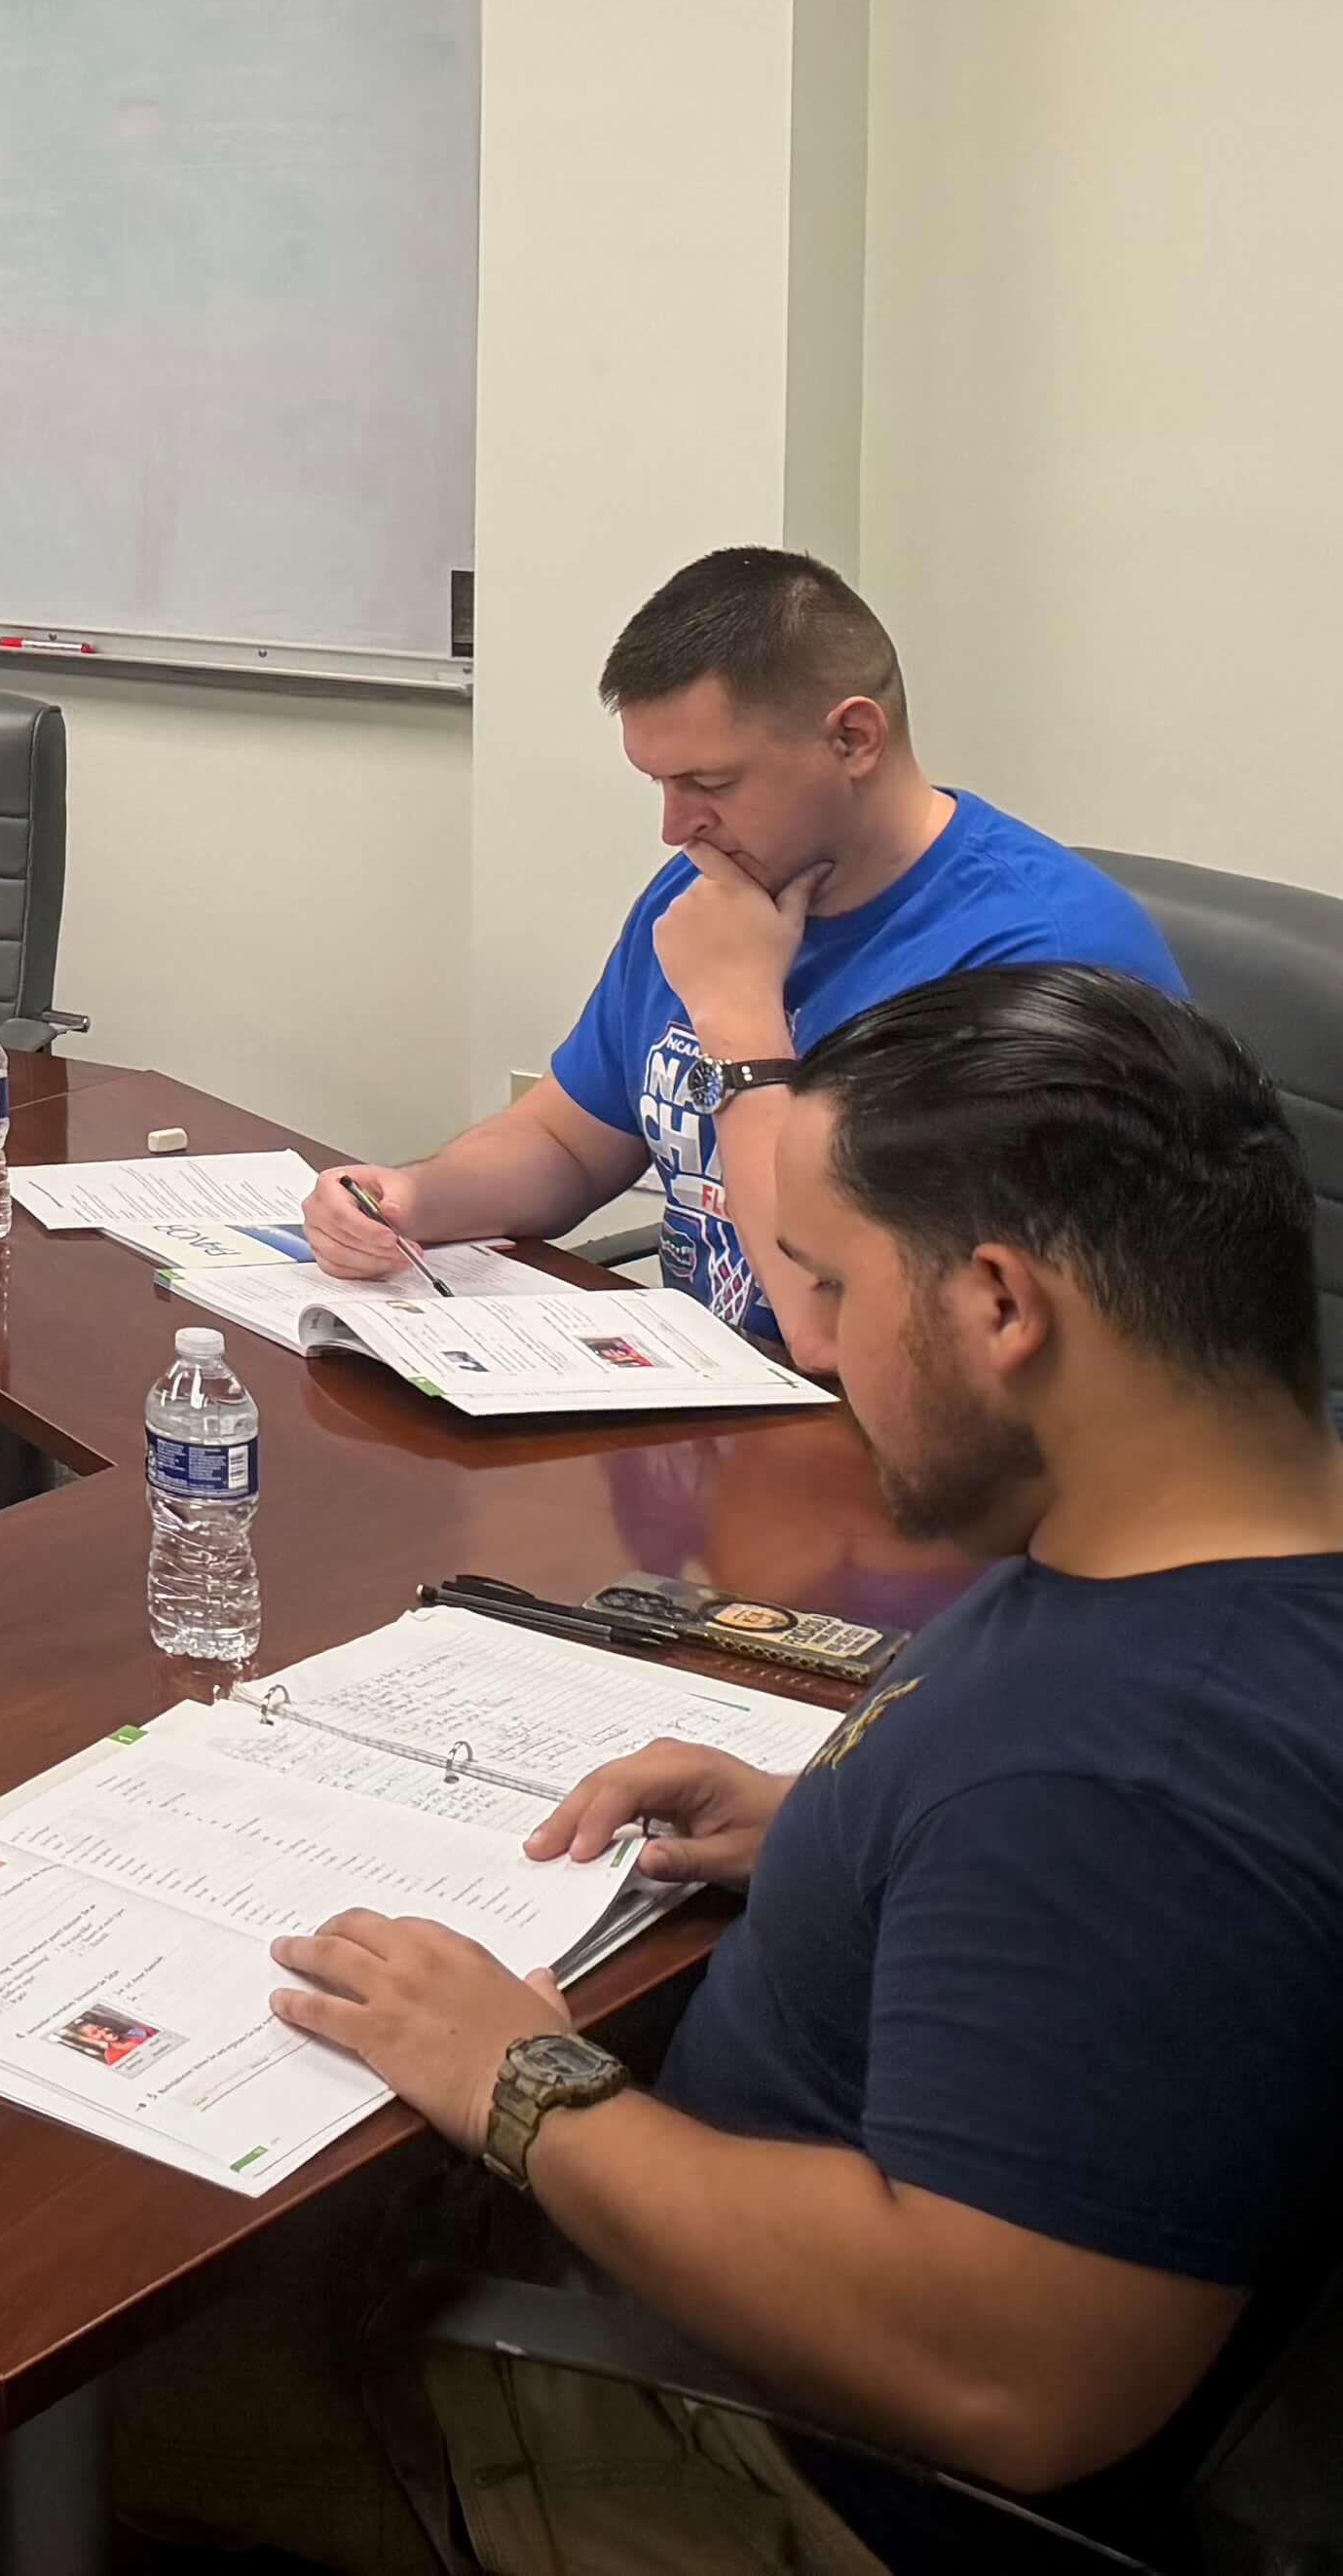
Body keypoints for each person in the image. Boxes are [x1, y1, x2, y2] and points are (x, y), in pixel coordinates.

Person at [124, 965, 1343, 2574]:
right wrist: (838, 1825)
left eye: (833, 1281)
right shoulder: (1202, 1539)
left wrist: (527, 2083)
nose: (805, 1334)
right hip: (745, 2236)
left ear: (997, 1303)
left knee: (75, 2364)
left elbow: (1003, 2374)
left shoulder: (1125, 1780)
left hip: (770, 2460)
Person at [304, 548, 1170, 1350]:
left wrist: (742, 1019)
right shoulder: (718, 893)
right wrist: (419, 1198)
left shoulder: (1038, 962)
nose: (676, 829)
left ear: (854, 739)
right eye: (661, 784)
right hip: (708, 1416)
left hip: (911, 1469)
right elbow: (568, 1141)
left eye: (709, 784)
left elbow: (834, 1330)